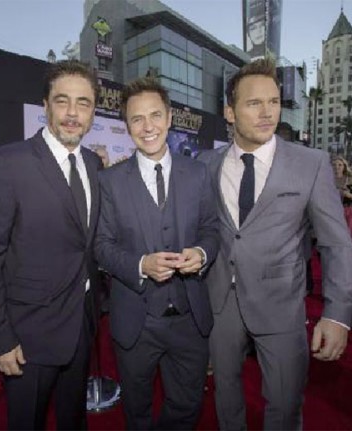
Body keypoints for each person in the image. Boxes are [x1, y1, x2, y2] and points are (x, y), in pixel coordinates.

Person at [197, 59, 352, 430]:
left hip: (282, 304)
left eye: (274, 101)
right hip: (220, 302)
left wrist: (336, 314)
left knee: (284, 406)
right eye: (254, 103)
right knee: (226, 398)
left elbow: (336, 243)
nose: (268, 112)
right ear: (230, 112)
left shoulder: (310, 164)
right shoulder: (206, 164)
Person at [0, 60, 103, 430]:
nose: (73, 113)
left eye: (84, 103)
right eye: (63, 101)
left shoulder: (92, 164)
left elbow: (85, 244)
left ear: (94, 110)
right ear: (45, 106)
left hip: (80, 325)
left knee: (73, 419)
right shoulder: (10, 164)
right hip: (28, 335)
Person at [95, 77, 219, 430]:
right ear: (127, 125)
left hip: (190, 320)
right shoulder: (110, 181)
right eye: (137, 119)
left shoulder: (198, 173)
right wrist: (140, 265)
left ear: (168, 118)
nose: (147, 127)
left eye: (155, 116)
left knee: (187, 405)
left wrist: (201, 252)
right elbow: (101, 246)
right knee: (136, 411)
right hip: (136, 321)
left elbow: (212, 229)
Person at [332, 155, 352, 242]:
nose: (336, 167)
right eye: (334, 165)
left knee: (347, 237)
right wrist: (340, 192)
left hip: (346, 211)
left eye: (340, 165)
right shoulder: (326, 179)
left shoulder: (350, 179)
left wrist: (350, 195)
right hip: (331, 211)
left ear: (344, 166)